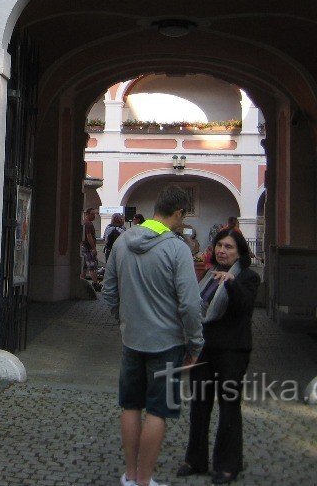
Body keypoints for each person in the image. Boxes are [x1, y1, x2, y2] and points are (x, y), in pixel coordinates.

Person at [102, 186, 204, 486]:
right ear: (179, 213)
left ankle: (130, 476)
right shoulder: (177, 248)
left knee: (130, 406)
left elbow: (108, 292)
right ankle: (146, 480)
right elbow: (190, 303)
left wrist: (125, 320)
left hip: (131, 340)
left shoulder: (122, 242)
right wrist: (195, 342)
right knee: (158, 411)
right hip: (168, 343)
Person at [177, 228, 260, 484]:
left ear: (239, 252)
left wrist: (231, 284)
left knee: (229, 408)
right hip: (205, 350)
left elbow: (244, 307)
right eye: (219, 246)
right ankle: (196, 459)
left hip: (232, 351)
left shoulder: (247, 277)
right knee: (199, 406)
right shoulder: (209, 277)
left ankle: (228, 464)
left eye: (229, 247)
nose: (222, 251)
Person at [81, 216, 102, 292]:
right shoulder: (88, 224)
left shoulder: (84, 222)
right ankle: (95, 283)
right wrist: (93, 248)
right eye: (92, 214)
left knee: (84, 266)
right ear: (88, 214)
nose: (94, 216)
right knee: (92, 266)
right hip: (88, 248)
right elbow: (89, 236)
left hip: (83, 246)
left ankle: (81, 283)